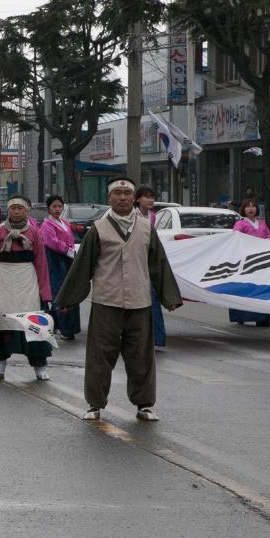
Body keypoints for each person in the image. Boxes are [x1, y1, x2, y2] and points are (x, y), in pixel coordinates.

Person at [54, 177, 182, 422]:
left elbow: (159, 264)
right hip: (106, 301)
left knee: (141, 357)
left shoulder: (146, 227)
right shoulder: (98, 229)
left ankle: (144, 404)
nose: (122, 197)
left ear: (133, 197)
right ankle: (95, 404)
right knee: (100, 356)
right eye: (117, 193)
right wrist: (67, 299)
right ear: (109, 198)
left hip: (139, 301)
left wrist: (169, 297)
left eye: (127, 193)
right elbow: (83, 267)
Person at [0, 195, 53, 381]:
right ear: (8, 211)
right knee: (1, 322)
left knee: (33, 323)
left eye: (20, 208)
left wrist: (45, 294)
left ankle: (40, 368)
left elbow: (42, 264)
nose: (16, 211)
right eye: (12, 208)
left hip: (28, 281)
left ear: (26, 211)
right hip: (3, 281)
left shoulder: (35, 233)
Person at [228, 199, 270, 328]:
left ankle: (262, 318)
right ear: (243, 210)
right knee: (245, 288)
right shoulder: (240, 223)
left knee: (261, 288)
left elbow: (269, 236)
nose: (251, 209)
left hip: (262, 260)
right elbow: (236, 238)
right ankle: (241, 316)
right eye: (247, 207)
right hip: (246, 261)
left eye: (253, 206)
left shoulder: (262, 223)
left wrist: (267, 241)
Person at [40, 195, 81, 340]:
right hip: (55, 260)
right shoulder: (46, 225)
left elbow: (70, 238)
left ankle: (69, 326)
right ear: (48, 208)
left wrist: (71, 250)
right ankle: (63, 327)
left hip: (67, 258)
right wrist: (67, 250)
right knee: (59, 292)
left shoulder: (64, 222)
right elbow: (52, 242)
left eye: (59, 206)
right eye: (54, 206)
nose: (57, 209)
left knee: (70, 291)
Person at [134, 185, 168, 348]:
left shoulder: (153, 217)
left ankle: (157, 338)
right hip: (135, 261)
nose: (150, 200)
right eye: (147, 196)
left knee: (152, 298)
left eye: (152, 197)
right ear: (138, 199)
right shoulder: (132, 215)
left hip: (149, 261)